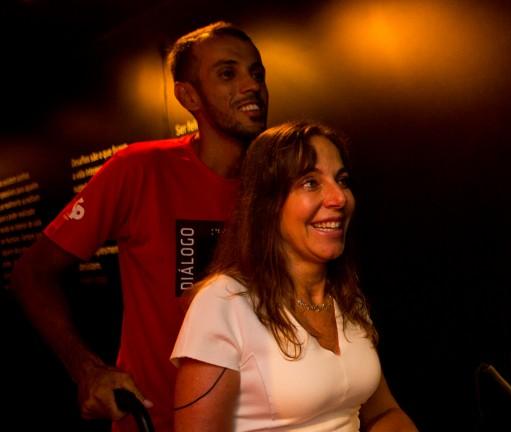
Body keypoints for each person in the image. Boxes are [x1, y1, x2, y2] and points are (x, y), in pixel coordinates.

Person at [10, 21, 268, 431]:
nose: (251, 84)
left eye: (256, 73)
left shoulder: (276, 184)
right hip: (156, 421)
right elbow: (32, 272)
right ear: (188, 96)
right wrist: (88, 370)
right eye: (227, 73)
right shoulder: (139, 169)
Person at [171, 121, 418, 431]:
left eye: (342, 180)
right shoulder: (224, 302)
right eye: (311, 183)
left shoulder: (345, 297)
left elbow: (384, 414)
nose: (338, 198)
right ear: (268, 204)